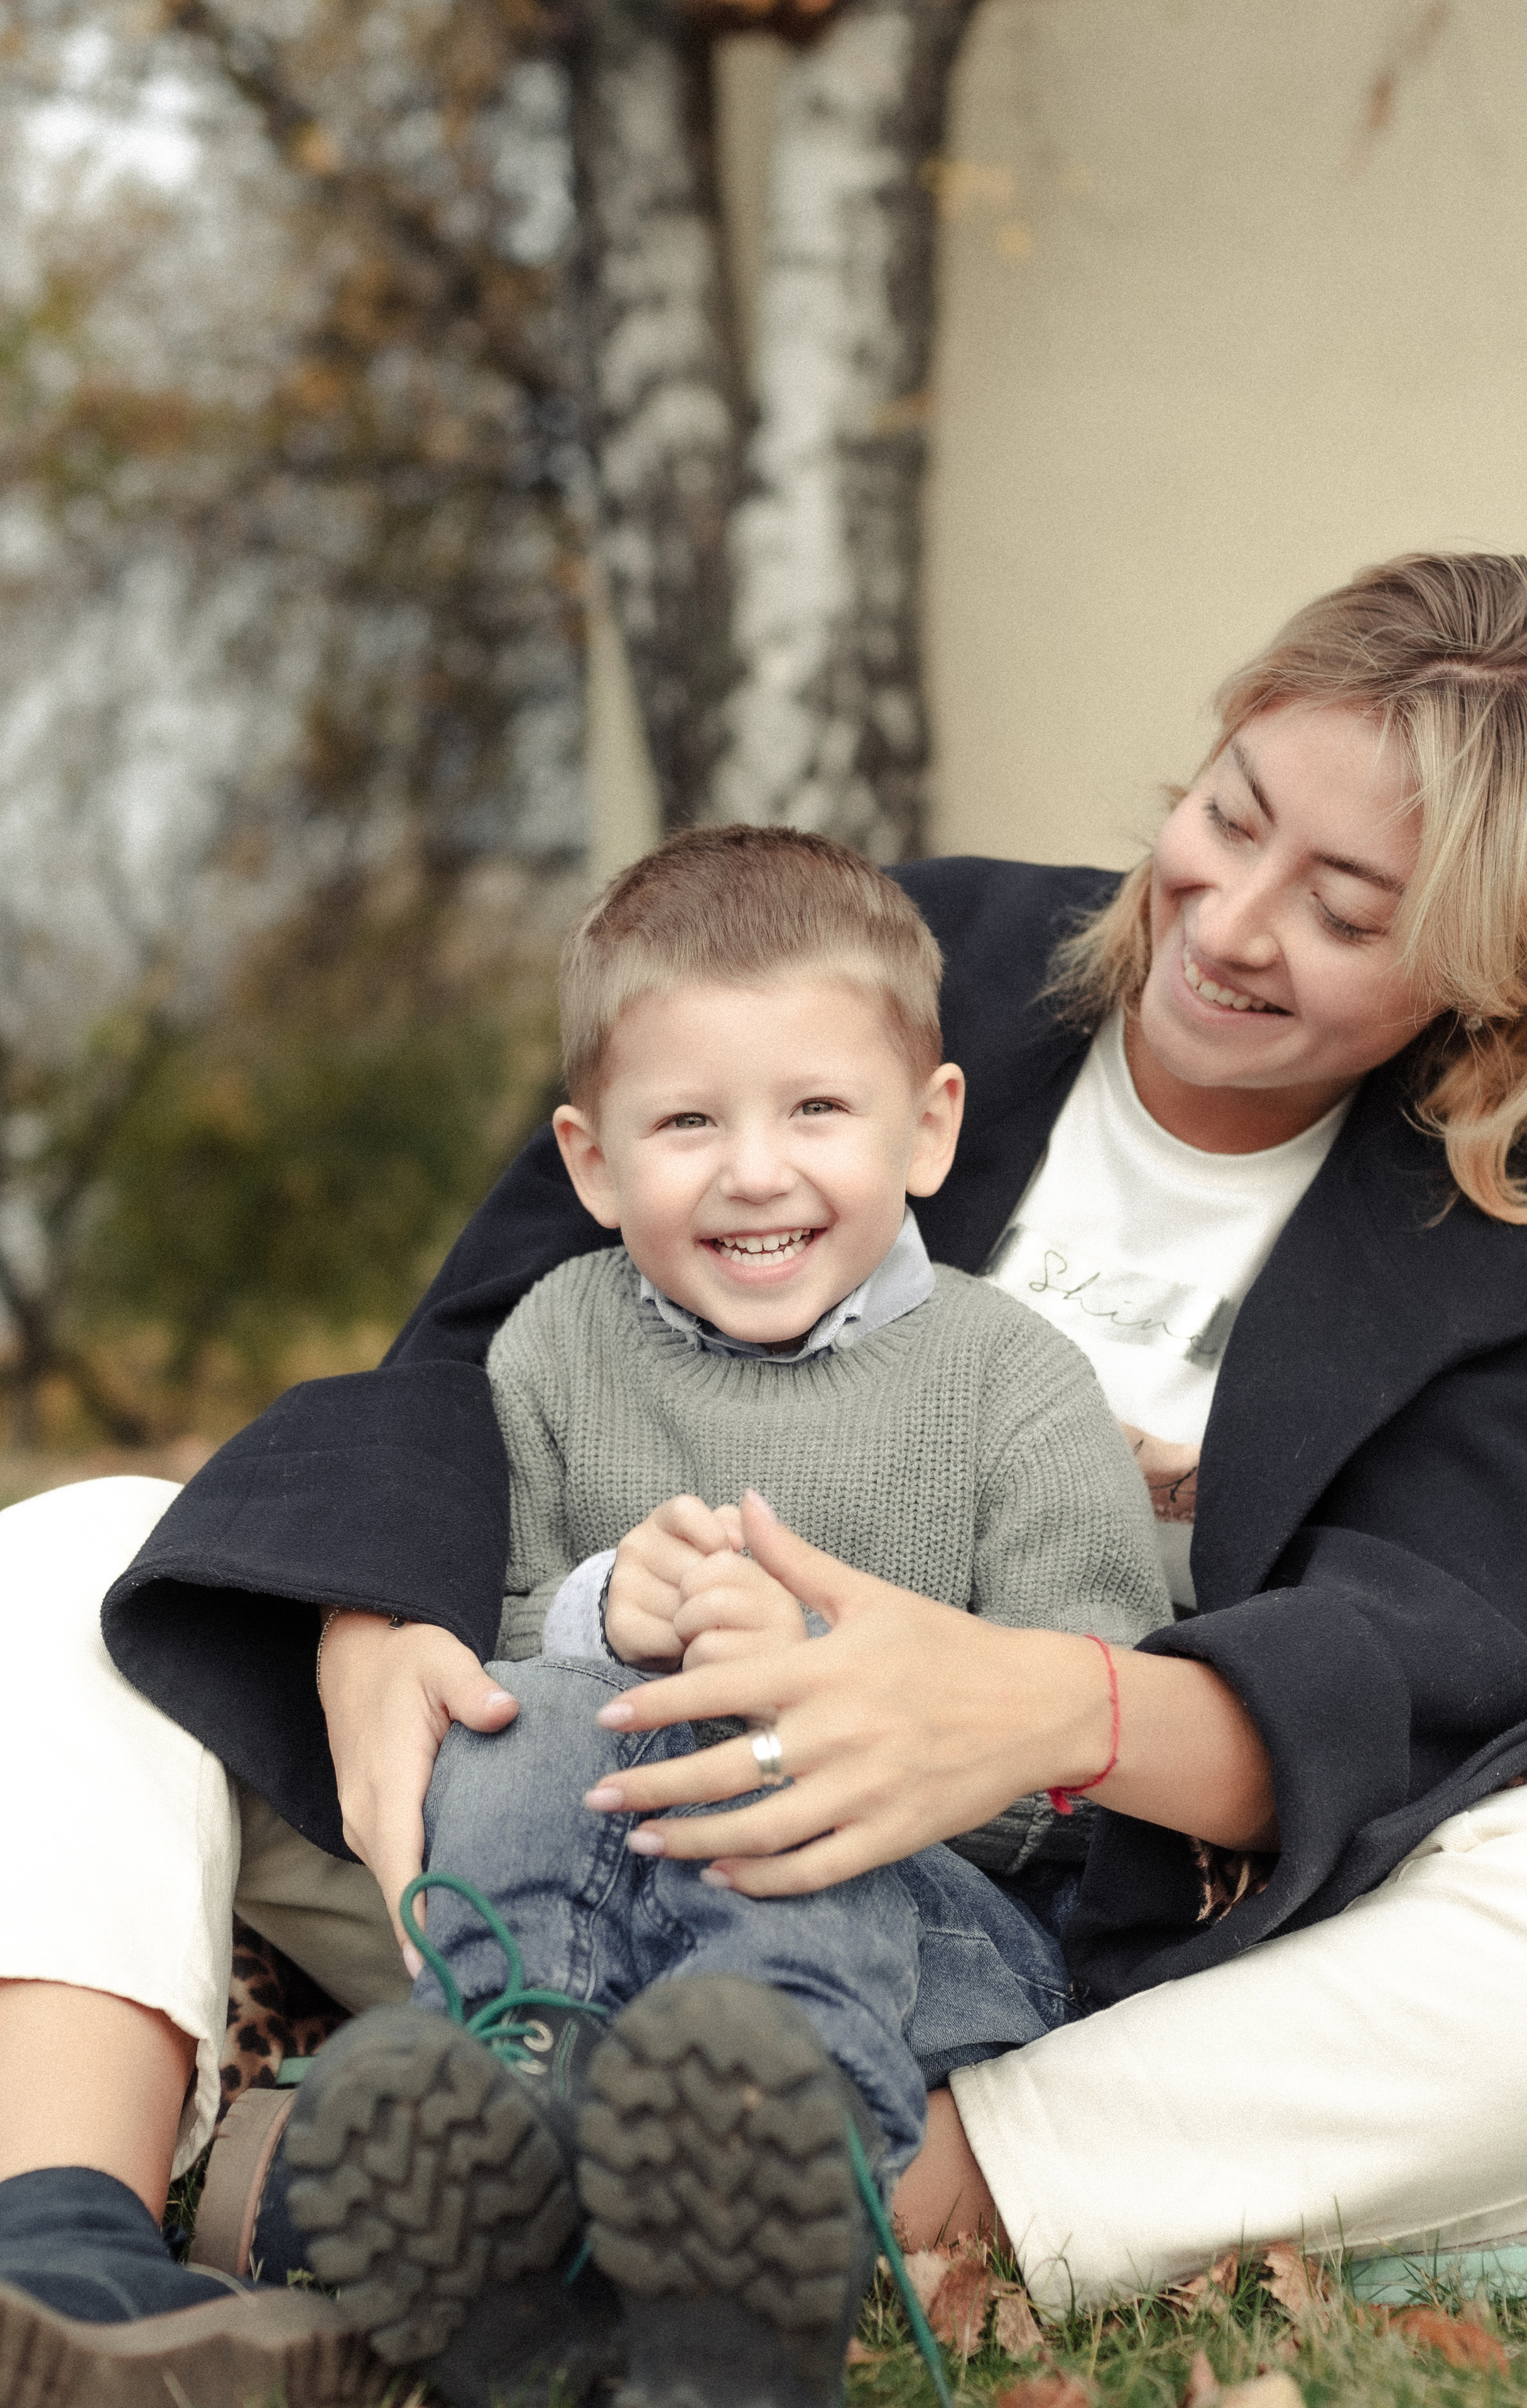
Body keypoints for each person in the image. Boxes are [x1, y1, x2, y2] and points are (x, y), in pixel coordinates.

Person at [2, 551, 1527, 2404]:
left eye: (1346, 907)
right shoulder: (909, 957)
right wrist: (377, 1613)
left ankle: (722, 2192)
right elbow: (476, 1351)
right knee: (80, 1553)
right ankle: (72, 2245)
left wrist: (1033, 1707)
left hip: (1014, 1953)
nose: (1230, 921)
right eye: (1228, 814)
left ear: (1493, 962)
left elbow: (1423, 1665)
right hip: (543, 1851)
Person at [274, 825, 1168, 2392]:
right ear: (592, 1163)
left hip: (919, 1933)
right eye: (686, 1121)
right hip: (597, 1928)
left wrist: (829, 1693)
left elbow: (1079, 1780)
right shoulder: (549, 1345)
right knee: (520, 1709)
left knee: (769, 1769)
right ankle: (516, 2109)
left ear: (927, 1126)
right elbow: (468, 1658)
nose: (755, 1170)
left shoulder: (1016, 1383)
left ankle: (765, 2177)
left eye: (818, 1109)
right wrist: (604, 1611)